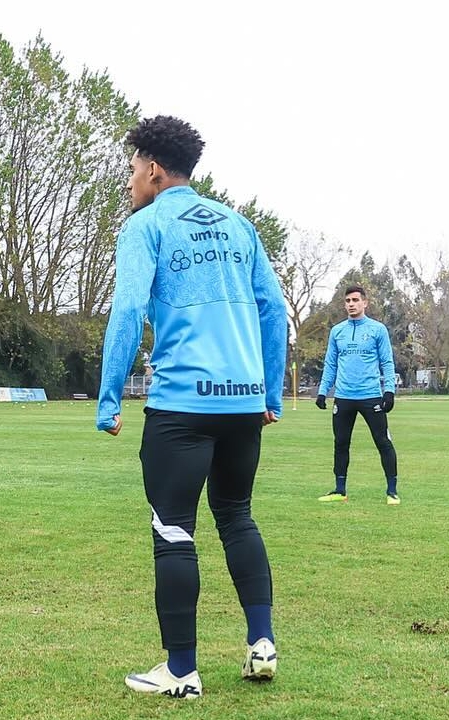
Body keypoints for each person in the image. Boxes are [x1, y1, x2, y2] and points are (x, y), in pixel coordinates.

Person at [96, 116, 287, 698]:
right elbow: (273, 309)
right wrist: (269, 392)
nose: (131, 181)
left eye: (132, 170)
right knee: (237, 515)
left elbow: (129, 310)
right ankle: (262, 643)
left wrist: (109, 397)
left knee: (173, 528)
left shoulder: (145, 225)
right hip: (243, 404)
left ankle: (181, 671)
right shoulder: (238, 225)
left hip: (182, 405)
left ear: (154, 169)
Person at [315, 286, 400, 505]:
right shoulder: (337, 331)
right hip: (344, 397)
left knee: (383, 442)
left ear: (365, 303)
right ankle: (339, 490)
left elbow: (387, 362)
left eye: (355, 300)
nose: (351, 304)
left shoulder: (377, 329)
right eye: (348, 301)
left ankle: (392, 491)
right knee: (341, 443)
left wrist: (389, 391)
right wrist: (323, 391)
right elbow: (331, 363)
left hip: (371, 396)